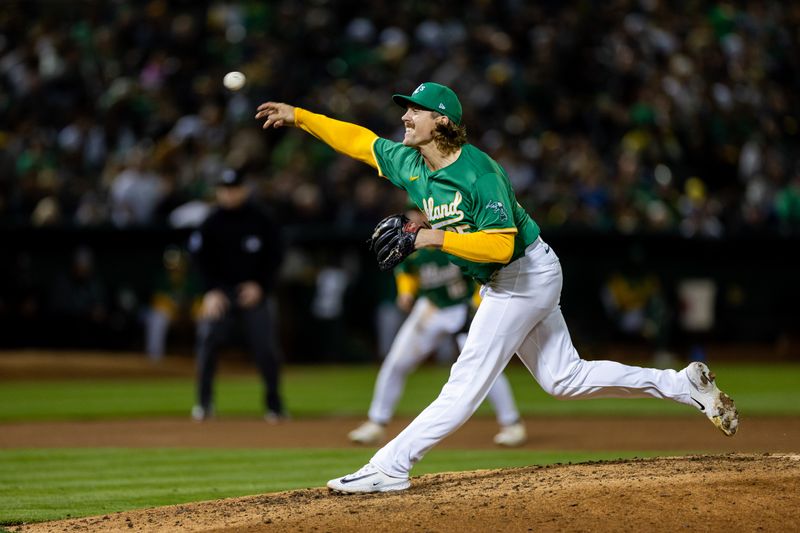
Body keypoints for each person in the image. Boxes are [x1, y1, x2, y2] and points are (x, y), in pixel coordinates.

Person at [255, 82, 739, 493]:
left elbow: (501, 246)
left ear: (441, 123)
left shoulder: (478, 173)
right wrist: (299, 116)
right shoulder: (410, 161)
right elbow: (357, 141)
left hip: (524, 274)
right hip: (514, 279)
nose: (404, 116)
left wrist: (429, 236)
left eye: (415, 111)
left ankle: (390, 467)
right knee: (563, 379)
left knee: (465, 383)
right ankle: (682, 384)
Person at [348, 210, 527, 447]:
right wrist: (406, 292)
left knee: (483, 366)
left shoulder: (453, 237)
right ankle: (376, 422)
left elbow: (484, 271)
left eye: (417, 213)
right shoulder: (411, 245)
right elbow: (406, 272)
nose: (412, 221)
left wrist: (477, 304)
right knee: (396, 363)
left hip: (463, 308)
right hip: (430, 308)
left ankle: (512, 423)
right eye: (410, 215)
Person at [188, 167, 285, 422]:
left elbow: (275, 257)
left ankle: (274, 405)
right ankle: (204, 403)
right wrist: (210, 291)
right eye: (224, 190)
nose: (229, 194)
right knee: (207, 339)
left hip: (254, 291)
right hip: (220, 293)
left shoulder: (262, 219)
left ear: (244, 189)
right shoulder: (210, 222)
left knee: (265, 347)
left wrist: (261, 286)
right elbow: (199, 261)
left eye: (233, 189)